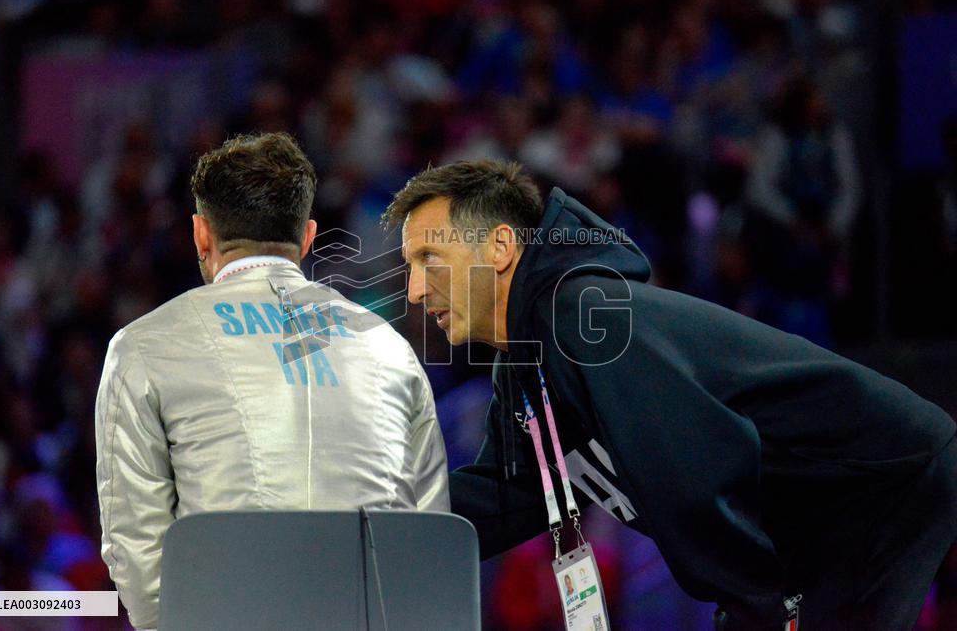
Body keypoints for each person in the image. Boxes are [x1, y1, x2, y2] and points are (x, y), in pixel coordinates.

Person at [382, 159, 957, 630]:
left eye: (429, 259)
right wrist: (375, 515)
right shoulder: (526, 361)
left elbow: (697, 458)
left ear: (501, 247)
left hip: (873, 483)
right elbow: (510, 493)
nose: (412, 288)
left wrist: (756, 600)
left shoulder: (585, 318)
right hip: (820, 516)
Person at [95, 133, 449, 631]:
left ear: (201, 235)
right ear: (307, 238)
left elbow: (135, 543)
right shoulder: (391, 348)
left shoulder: (143, 347)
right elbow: (427, 534)